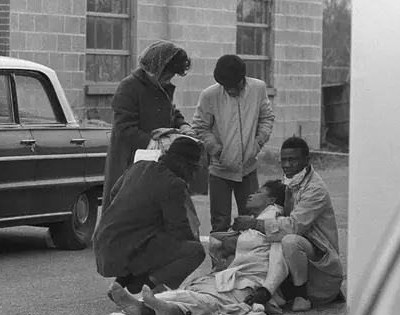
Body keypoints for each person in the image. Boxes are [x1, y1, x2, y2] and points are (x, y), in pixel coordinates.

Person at [107, 180, 290, 315]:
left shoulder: (275, 224)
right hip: (232, 278)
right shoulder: (253, 224)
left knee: (210, 301)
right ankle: (141, 306)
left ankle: (159, 308)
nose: (251, 194)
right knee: (192, 292)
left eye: (258, 192)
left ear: (271, 200)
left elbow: (278, 262)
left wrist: (265, 291)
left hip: (250, 285)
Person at [233, 137, 345, 312]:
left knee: (289, 240)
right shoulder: (291, 182)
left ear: (306, 160)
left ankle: (301, 296)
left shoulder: (315, 189)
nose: (286, 165)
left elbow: (293, 226)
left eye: (292, 160)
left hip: (322, 270)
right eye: (283, 160)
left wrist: (255, 223)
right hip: (301, 260)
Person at [93, 137, 206, 298]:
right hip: (127, 249)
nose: (193, 175)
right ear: (183, 166)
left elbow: (114, 193)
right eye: (192, 170)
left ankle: (118, 285)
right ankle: (146, 287)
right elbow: (179, 230)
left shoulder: (139, 166)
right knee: (195, 251)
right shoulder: (173, 184)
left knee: (153, 239)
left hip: (104, 243)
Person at [102, 40, 194, 211]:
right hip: (130, 162)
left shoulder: (161, 88)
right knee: (126, 212)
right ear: (155, 69)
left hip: (156, 162)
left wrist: (183, 126)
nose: (168, 80)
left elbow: (171, 112)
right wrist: (155, 144)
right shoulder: (129, 87)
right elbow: (124, 129)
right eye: (167, 75)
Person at [193, 54, 275, 233]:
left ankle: (248, 261)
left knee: (251, 221)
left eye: (232, 86)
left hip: (248, 169)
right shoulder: (209, 95)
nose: (229, 90)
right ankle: (220, 262)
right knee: (220, 223)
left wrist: (258, 142)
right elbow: (200, 127)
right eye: (225, 86)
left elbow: (266, 118)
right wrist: (216, 150)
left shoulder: (258, 88)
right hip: (219, 171)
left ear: (242, 79)